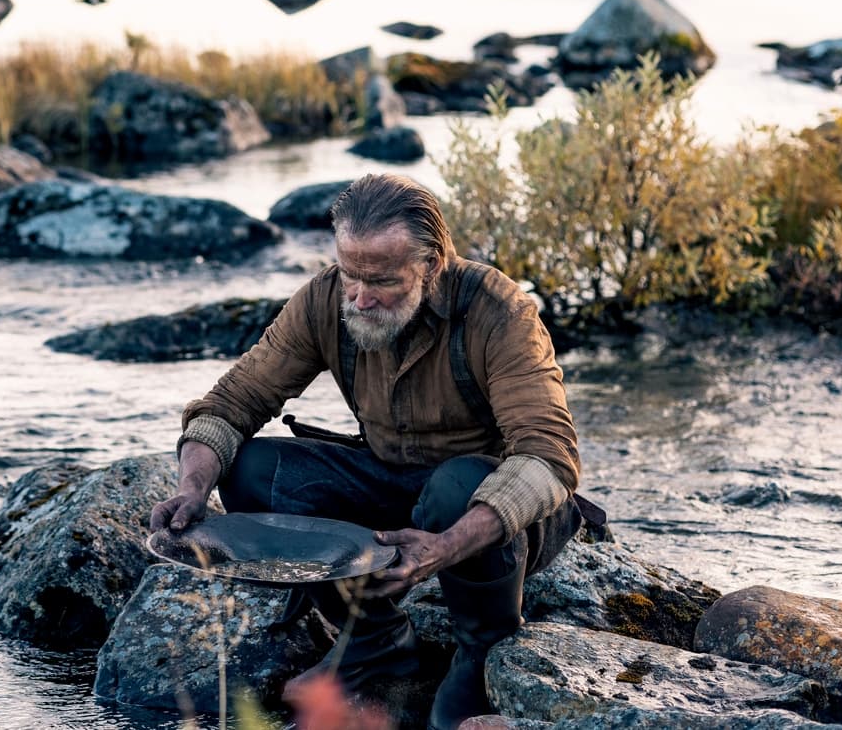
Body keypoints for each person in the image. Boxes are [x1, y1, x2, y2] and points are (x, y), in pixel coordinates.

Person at [149, 174, 585, 730]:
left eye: (380, 279)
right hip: (389, 485)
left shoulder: (499, 310)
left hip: (491, 517)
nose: (358, 294)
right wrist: (192, 487)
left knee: (455, 486)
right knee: (252, 469)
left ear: (430, 265)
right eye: (350, 272)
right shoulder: (326, 299)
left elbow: (550, 458)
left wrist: (445, 545)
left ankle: (481, 650)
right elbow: (231, 404)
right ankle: (375, 637)